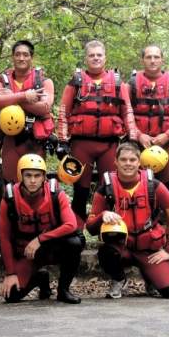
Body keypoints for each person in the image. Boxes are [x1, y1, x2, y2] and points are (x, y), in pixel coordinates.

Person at [86, 141, 169, 299]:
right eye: (123, 160)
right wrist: (102, 215)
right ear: (115, 162)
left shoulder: (154, 185)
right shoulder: (106, 188)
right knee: (106, 252)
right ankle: (119, 279)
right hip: (121, 247)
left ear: (139, 162)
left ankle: (149, 277)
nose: (128, 164)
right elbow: (90, 227)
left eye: (132, 160)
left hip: (148, 249)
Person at [57, 40, 137, 229]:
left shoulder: (118, 82)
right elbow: (63, 111)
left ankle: (108, 229)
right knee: (80, 189)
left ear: (105, 58)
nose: (95, 58)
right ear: (86, 58)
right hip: (81, 144)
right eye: (92, 55)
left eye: (99, 55)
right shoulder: (76, 81)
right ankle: (77, 230)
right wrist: (62, 140)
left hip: (109, 144)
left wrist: (132, 136)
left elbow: (127, 112)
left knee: (110, 187)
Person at [0, 154, 83, 304]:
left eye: (37, 176)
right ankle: (41, 279)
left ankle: (63, 290)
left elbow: (71, 224)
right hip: (26, 252)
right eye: (28, 175)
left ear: (43, 177)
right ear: (20, 175)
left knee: (75, 242)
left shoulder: (56, 193)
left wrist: (39, 239)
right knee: (11, 296)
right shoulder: (9, 198)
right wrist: (10, 273)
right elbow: (4, 237)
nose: (32, 180)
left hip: (51, 247)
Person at [0, 39, 56, 182]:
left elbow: (44, 108)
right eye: (17, 54)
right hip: (10, 140)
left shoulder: (44, 82)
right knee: (10, 184)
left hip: (35, 141)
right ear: (12, 57)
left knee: (35, 186)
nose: (21, 58)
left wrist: (11, 98)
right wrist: (25, 96)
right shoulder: (3, 82)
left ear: (32, 57)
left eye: (25, 55)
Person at [129, 45, 169, 199]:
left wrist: (167, 135)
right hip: (139, 143)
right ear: (142, 60)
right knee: (139, 187)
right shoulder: (133, 83)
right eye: (148, 57)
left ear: (162, 59)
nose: (152, 61)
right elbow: (125, 113)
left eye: (156, 57)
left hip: (167, 142)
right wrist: (140, 135)